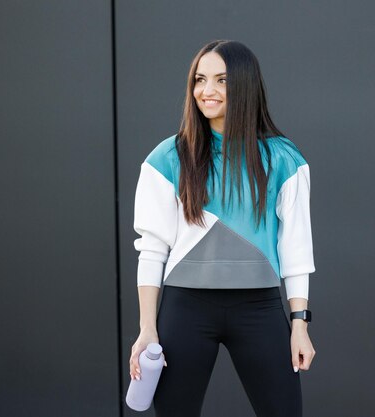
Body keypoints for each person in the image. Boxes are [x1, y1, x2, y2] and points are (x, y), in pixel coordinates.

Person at [128, 39, 317, 417]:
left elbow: (296, 250)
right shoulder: (167, 158)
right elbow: (152, 249)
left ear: (245, 85)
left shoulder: (284, 159)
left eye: (221, 81)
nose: (206, 91)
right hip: (186, 308)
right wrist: (147, 328)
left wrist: (300, 324)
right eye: (200, 79)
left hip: (259, 308)